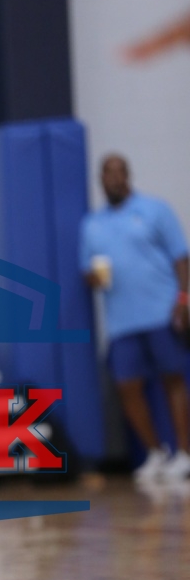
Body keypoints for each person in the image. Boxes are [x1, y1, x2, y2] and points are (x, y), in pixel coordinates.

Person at [80, 154, 190, 483]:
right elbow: (87, 272)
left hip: (161, 313)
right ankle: (156, 453)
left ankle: (185, 454)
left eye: (119, 172)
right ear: (101, 179)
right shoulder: (92, 224)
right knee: (127, 386)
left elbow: (180, 257)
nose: (114, 179)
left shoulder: (155, 210)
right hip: (121, 322)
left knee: (173, 379)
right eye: (107, 173)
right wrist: (95, 278)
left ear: (128, 175)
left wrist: (183, 298)